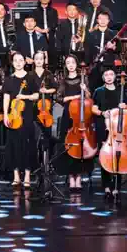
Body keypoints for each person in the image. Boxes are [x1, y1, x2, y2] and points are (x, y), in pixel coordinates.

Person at [92, 68, 127, 200]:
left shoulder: (121, 90)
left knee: (118, 156)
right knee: (105, 155)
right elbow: (94, 108)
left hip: (119, 129)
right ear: (103, 77)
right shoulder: (98, 91)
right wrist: (102, 113)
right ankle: (106, 187)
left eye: (111, 74)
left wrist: (126, 106)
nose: (109, 77)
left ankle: (116, 187)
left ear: (115, 77)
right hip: (103, 126)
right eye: (106, 75)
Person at [53, 55, 92, 191]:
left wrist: (85, 89)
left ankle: (79, 176)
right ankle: (71, 177)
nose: (70, 65)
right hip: (68, 115)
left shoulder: (83, 78)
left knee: (81, 146)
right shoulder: (63, 81)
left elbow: (89, 97)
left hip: (81, 116)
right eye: (68, 63)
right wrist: (75, 96)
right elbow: (58, 98)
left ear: (76, 64)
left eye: (73, 62)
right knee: (69, 146)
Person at [2, 52, 40, 189]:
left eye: (20, 60)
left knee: (27, 145)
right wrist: (5, 115)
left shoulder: (31, 77)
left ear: (24, 62)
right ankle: (16, 176)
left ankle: (27, 176)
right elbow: (6, 98)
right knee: (14, 145)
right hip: (13, 115)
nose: (18, 63)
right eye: (15, 60)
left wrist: (25, 97)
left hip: (27, 115)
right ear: (12, 63)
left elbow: (36, 95)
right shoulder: (9, 79)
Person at [85, 11, 117, 87]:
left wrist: (113, 47)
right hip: (94, 66)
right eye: (100, 18)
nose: (103, 21)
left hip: (109, 66)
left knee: (109, 89)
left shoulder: (114, 34)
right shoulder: (91, 34)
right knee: (93, 88)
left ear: (108, 20)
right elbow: (87, 51)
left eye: (105, 19)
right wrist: (87, 65)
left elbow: (119, 50)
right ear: (97, 20)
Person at [31, 51, 58, 144]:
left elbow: (55, 88)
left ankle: (47, 149)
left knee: (47, 130)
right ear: (33, 60)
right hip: (33, 105)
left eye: (41, 59)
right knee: (34, 130)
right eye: (36, 59)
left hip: (46, 105)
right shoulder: (30, 74)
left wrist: (46, 91)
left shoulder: (48, 73)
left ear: (44, 60)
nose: (39, 61)